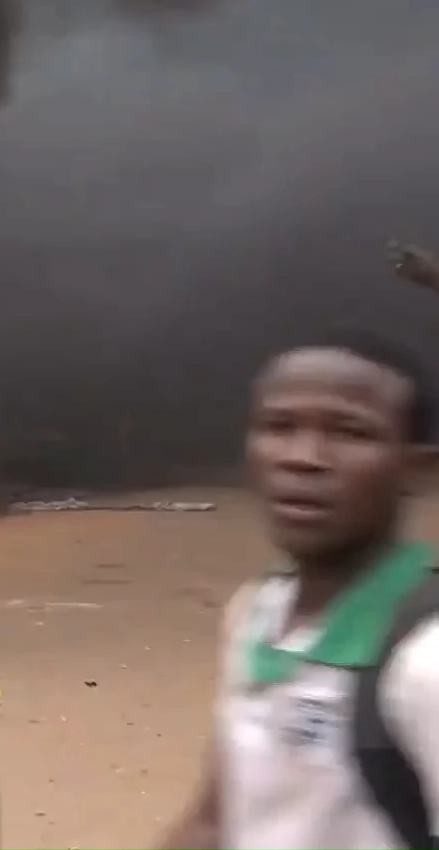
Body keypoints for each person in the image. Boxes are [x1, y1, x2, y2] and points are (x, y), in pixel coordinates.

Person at [160, 333, 439, 849]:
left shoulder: (424, 657)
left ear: (417, 468)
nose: (303, 458)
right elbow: (214, 823)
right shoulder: (258, 613)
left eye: (351, 433)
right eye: (279, 427)